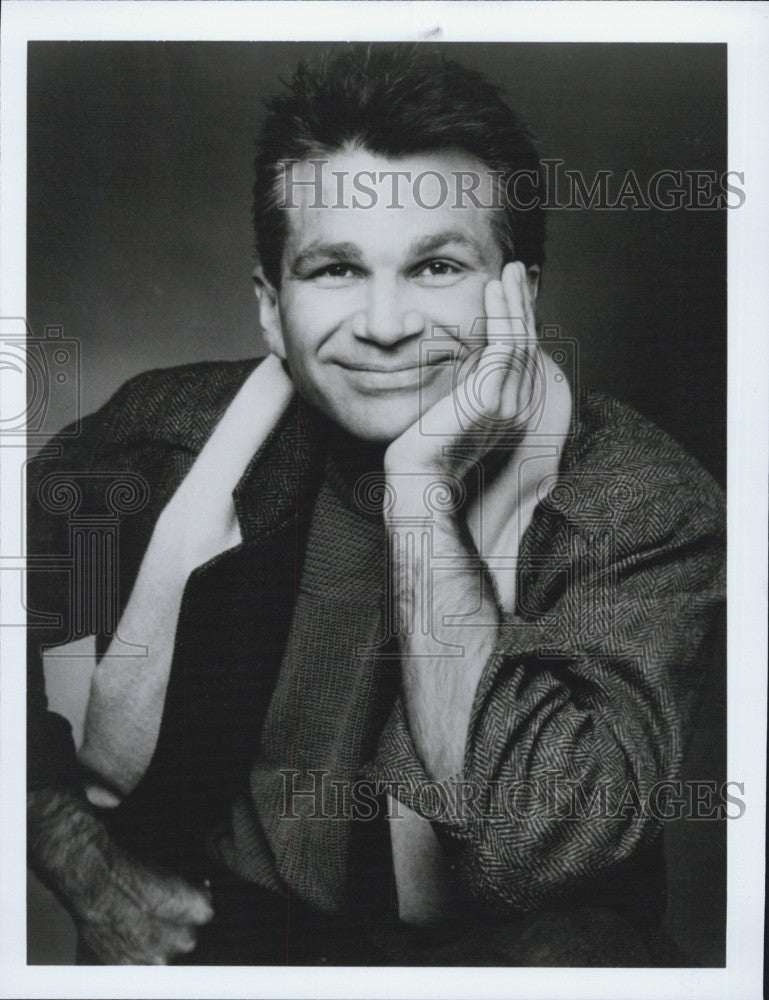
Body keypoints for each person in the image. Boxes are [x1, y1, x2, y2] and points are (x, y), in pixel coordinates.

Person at [26, 46, 725, 966]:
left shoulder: (638, 503)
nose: (386, 325)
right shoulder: (166, 437)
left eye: (436, 267)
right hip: (219, 946)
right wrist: (73, 852)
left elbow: (542, 841)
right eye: (335, 271)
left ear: (523, 294)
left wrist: (419, 494)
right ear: (272, 307)